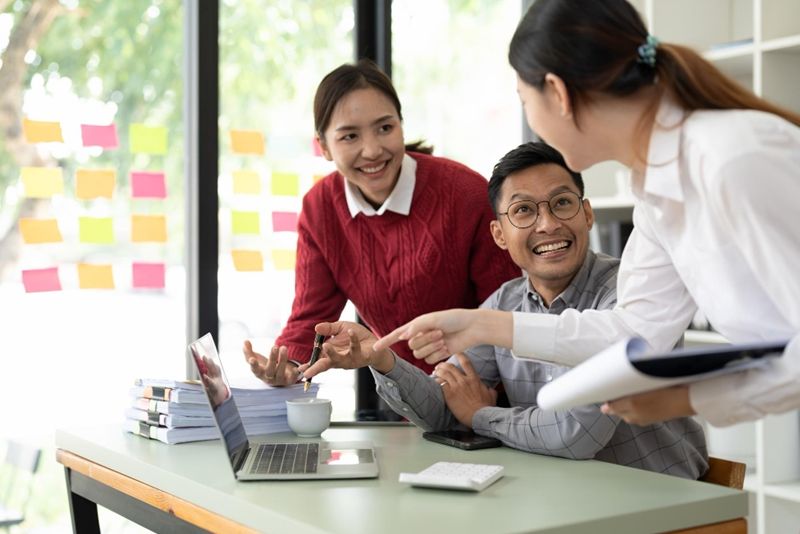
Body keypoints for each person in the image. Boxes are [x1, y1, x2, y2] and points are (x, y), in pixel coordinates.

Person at [374, 0, 800, 428]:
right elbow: (634, 331)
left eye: (524, 99)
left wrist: (688, 397)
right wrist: (482, 324)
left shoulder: (731, 158)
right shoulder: (656, 188)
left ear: (558, 92)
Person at [302, 142, 708, 479]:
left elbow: (574, 434)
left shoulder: (632, 293)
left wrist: (482, 415)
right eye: (524, 211)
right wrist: (382, 358)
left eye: (562, 203)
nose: (547, 224)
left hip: (664, 507)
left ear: (587, 213)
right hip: (564, 499)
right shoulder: (504, 301)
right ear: (499, 233)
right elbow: (445, 408)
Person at [243, 59, 519, 386]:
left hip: (489, 393)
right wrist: (287, 364)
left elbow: (508, 311)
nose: (372, 150)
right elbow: (311, 317)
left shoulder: (464, 193)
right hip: (407, 399)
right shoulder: (320, 208)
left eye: (385, 128)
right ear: (324, 147)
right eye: (349, 137)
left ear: (401, 124)